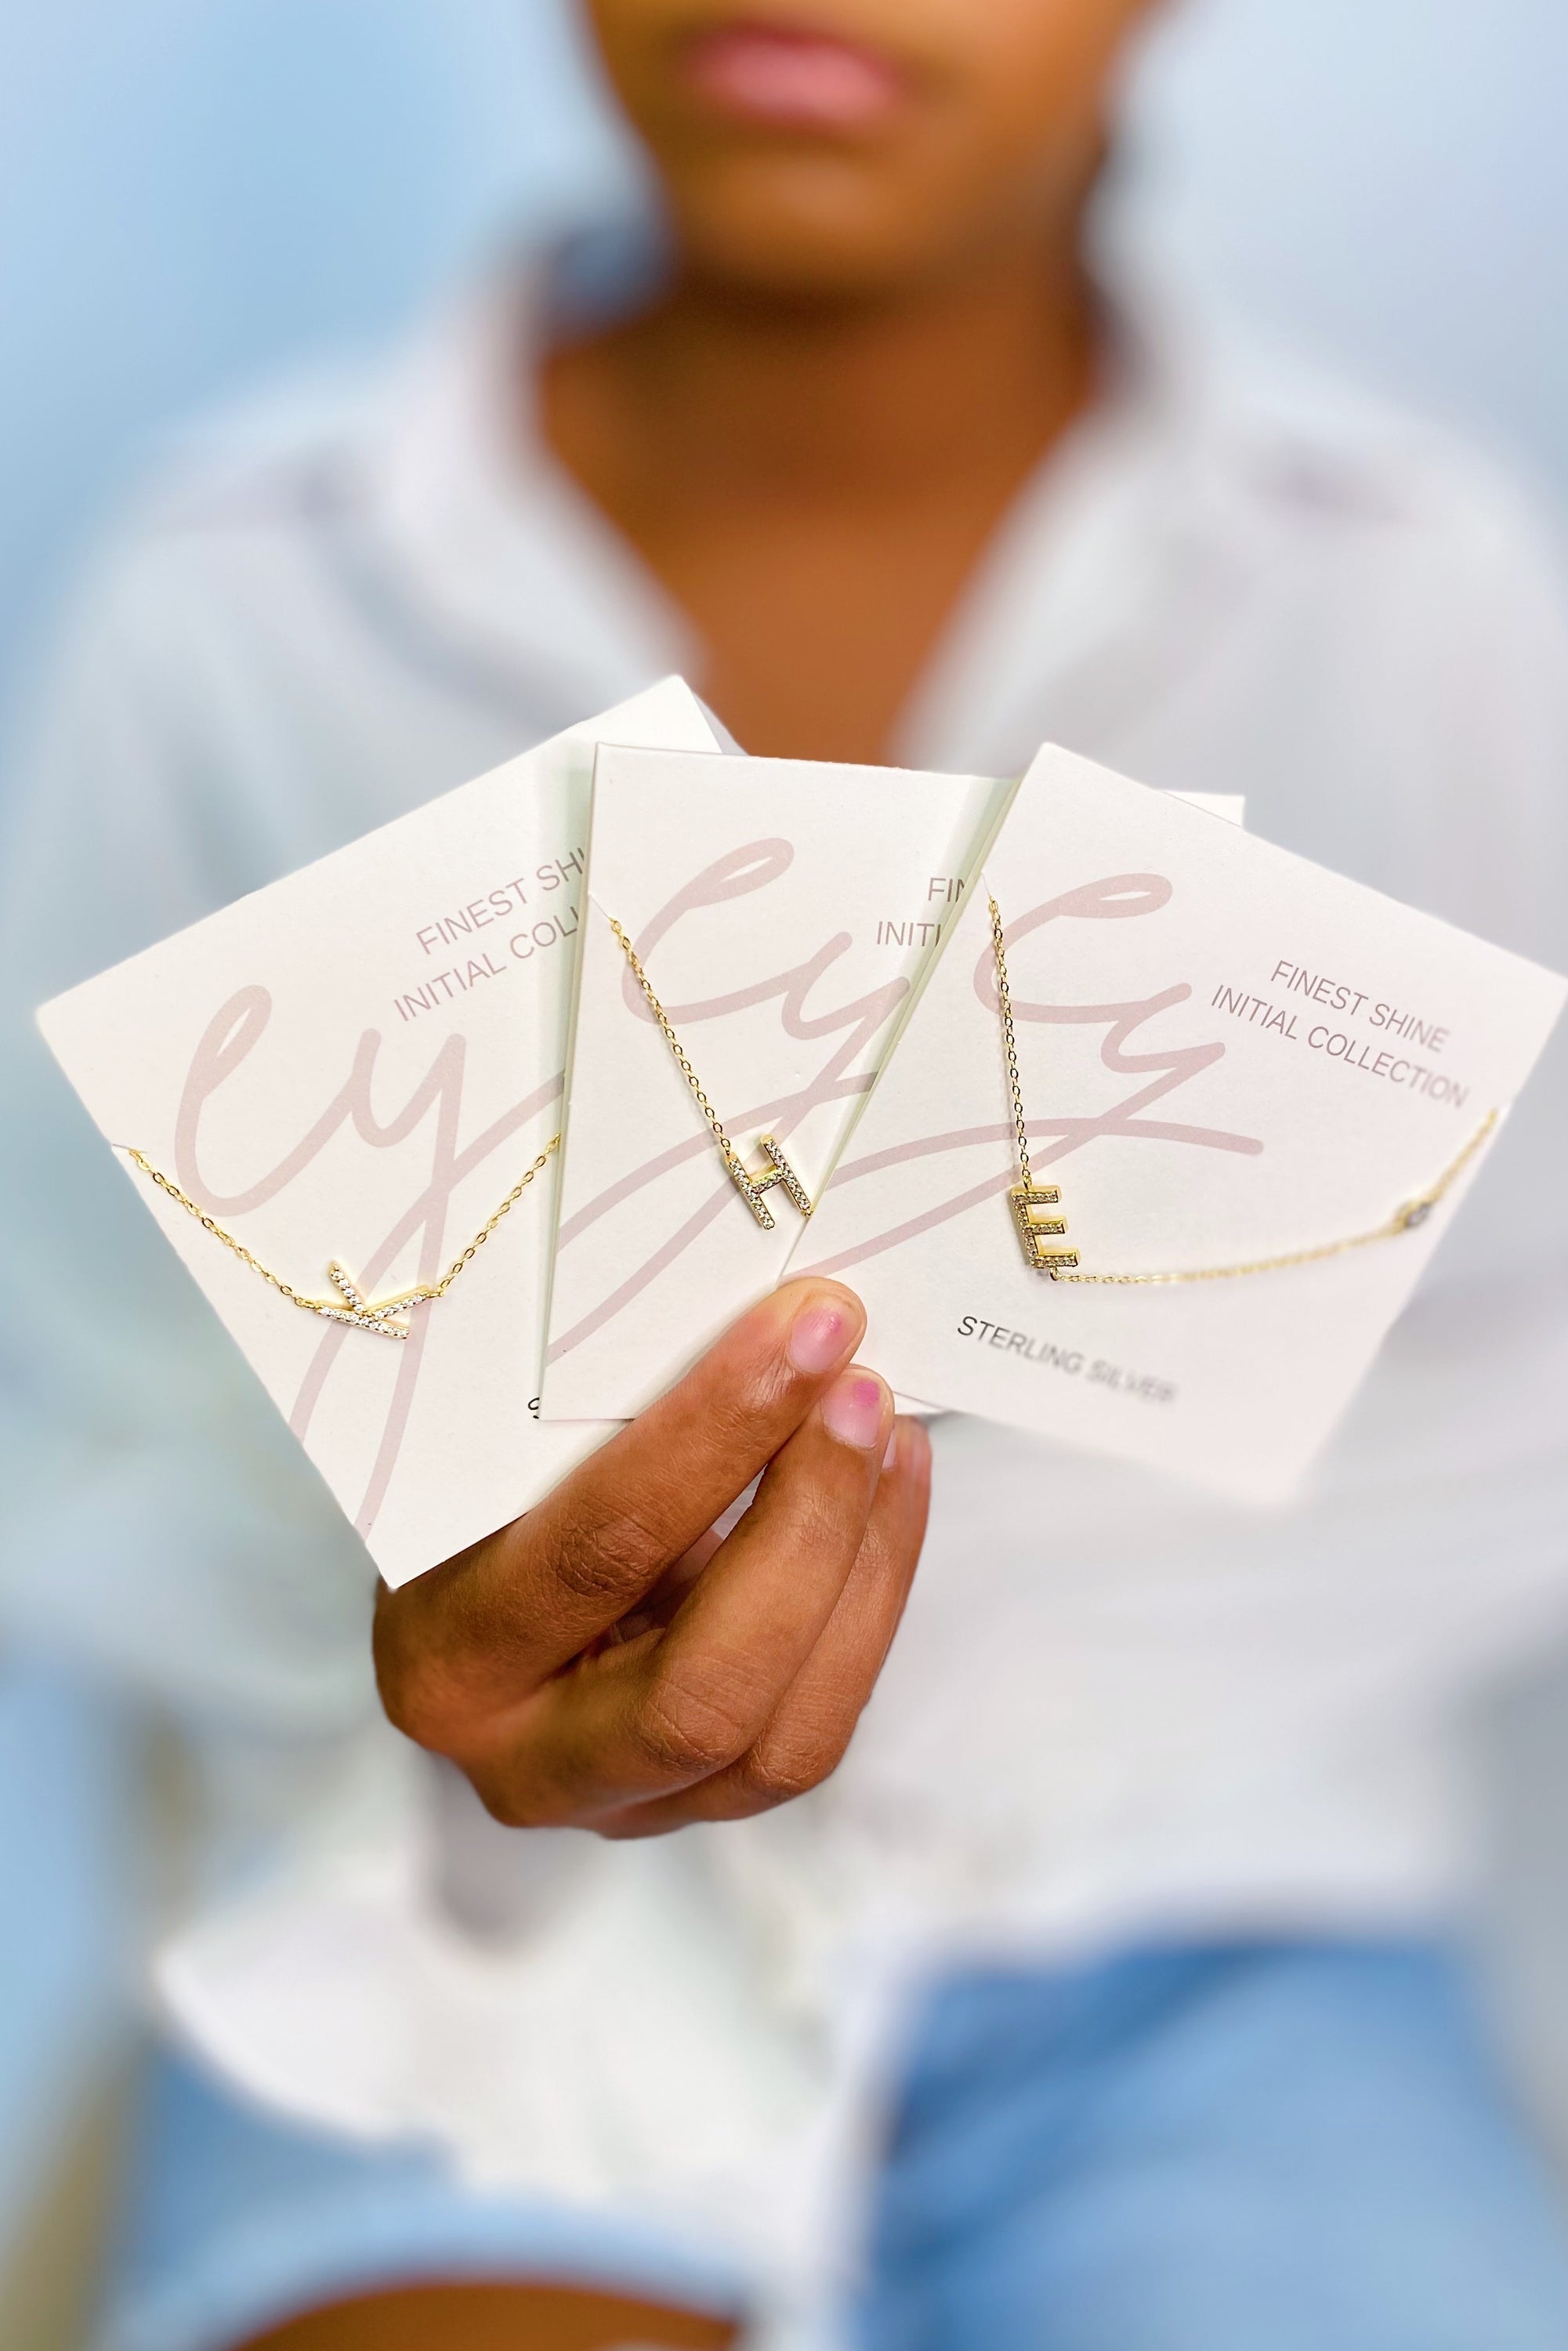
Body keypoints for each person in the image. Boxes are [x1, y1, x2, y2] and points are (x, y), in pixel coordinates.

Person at [4, 2, 1568, 2346]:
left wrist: (943, 1696)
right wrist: (407, 1652)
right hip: (429, 1914)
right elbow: (79, 1384)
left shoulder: (1412, 584)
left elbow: (1511, 1381)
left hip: (1214, 1928)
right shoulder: (244, 580)